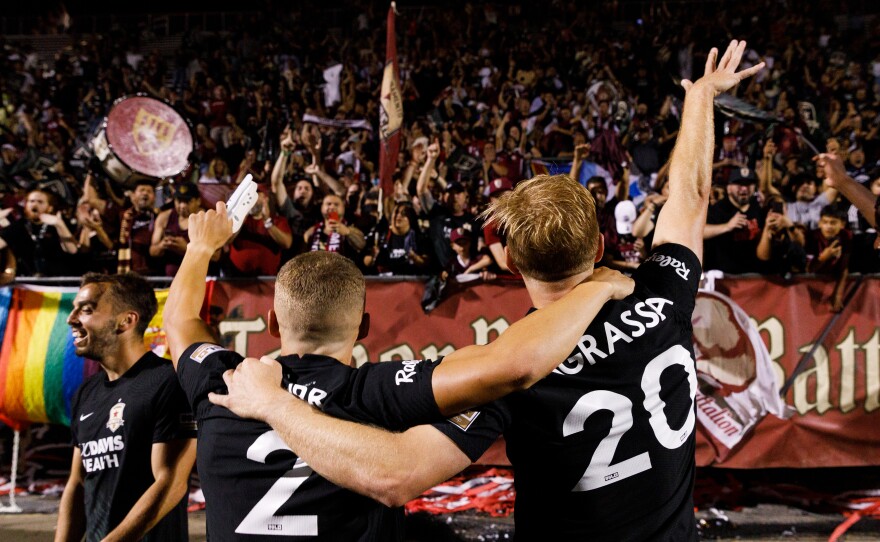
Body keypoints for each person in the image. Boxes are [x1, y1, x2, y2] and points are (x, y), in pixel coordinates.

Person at [213, 40, 764, 541]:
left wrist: (273, 403)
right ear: (599, 247)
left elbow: (396, 473)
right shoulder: (662, 292)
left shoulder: (510, 364)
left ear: (511, 261)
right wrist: (702, 99)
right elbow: (689, 195)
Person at [163, 201, 633, 540]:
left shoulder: (223, 382)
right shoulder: (379, 392)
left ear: (270, 322)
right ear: (365, 326)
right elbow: (510, 364)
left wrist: (201, 246)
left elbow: (180, 322)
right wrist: (596, 289)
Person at [56, 272, 196, 542]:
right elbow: (78, 482)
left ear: (126, 321)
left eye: (86, 310)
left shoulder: (168, 383)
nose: (70, 319)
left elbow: (170, 482)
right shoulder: (86, 392)